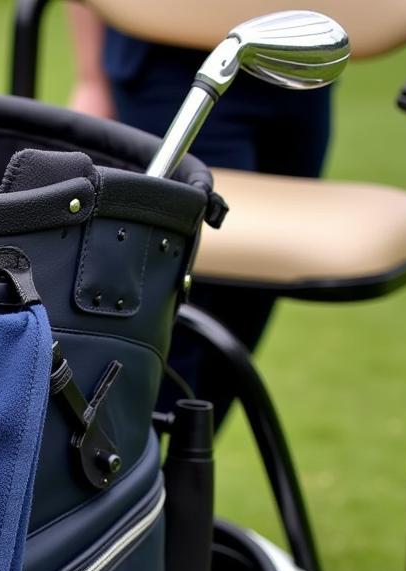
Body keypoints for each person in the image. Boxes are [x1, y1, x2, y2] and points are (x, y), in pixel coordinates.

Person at [68, 5, 333, 423]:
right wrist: (92, 76)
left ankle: (180, 466)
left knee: (248, 297)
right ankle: (138, 461)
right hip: (172, 70)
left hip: (303, 67)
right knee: (185, 298)